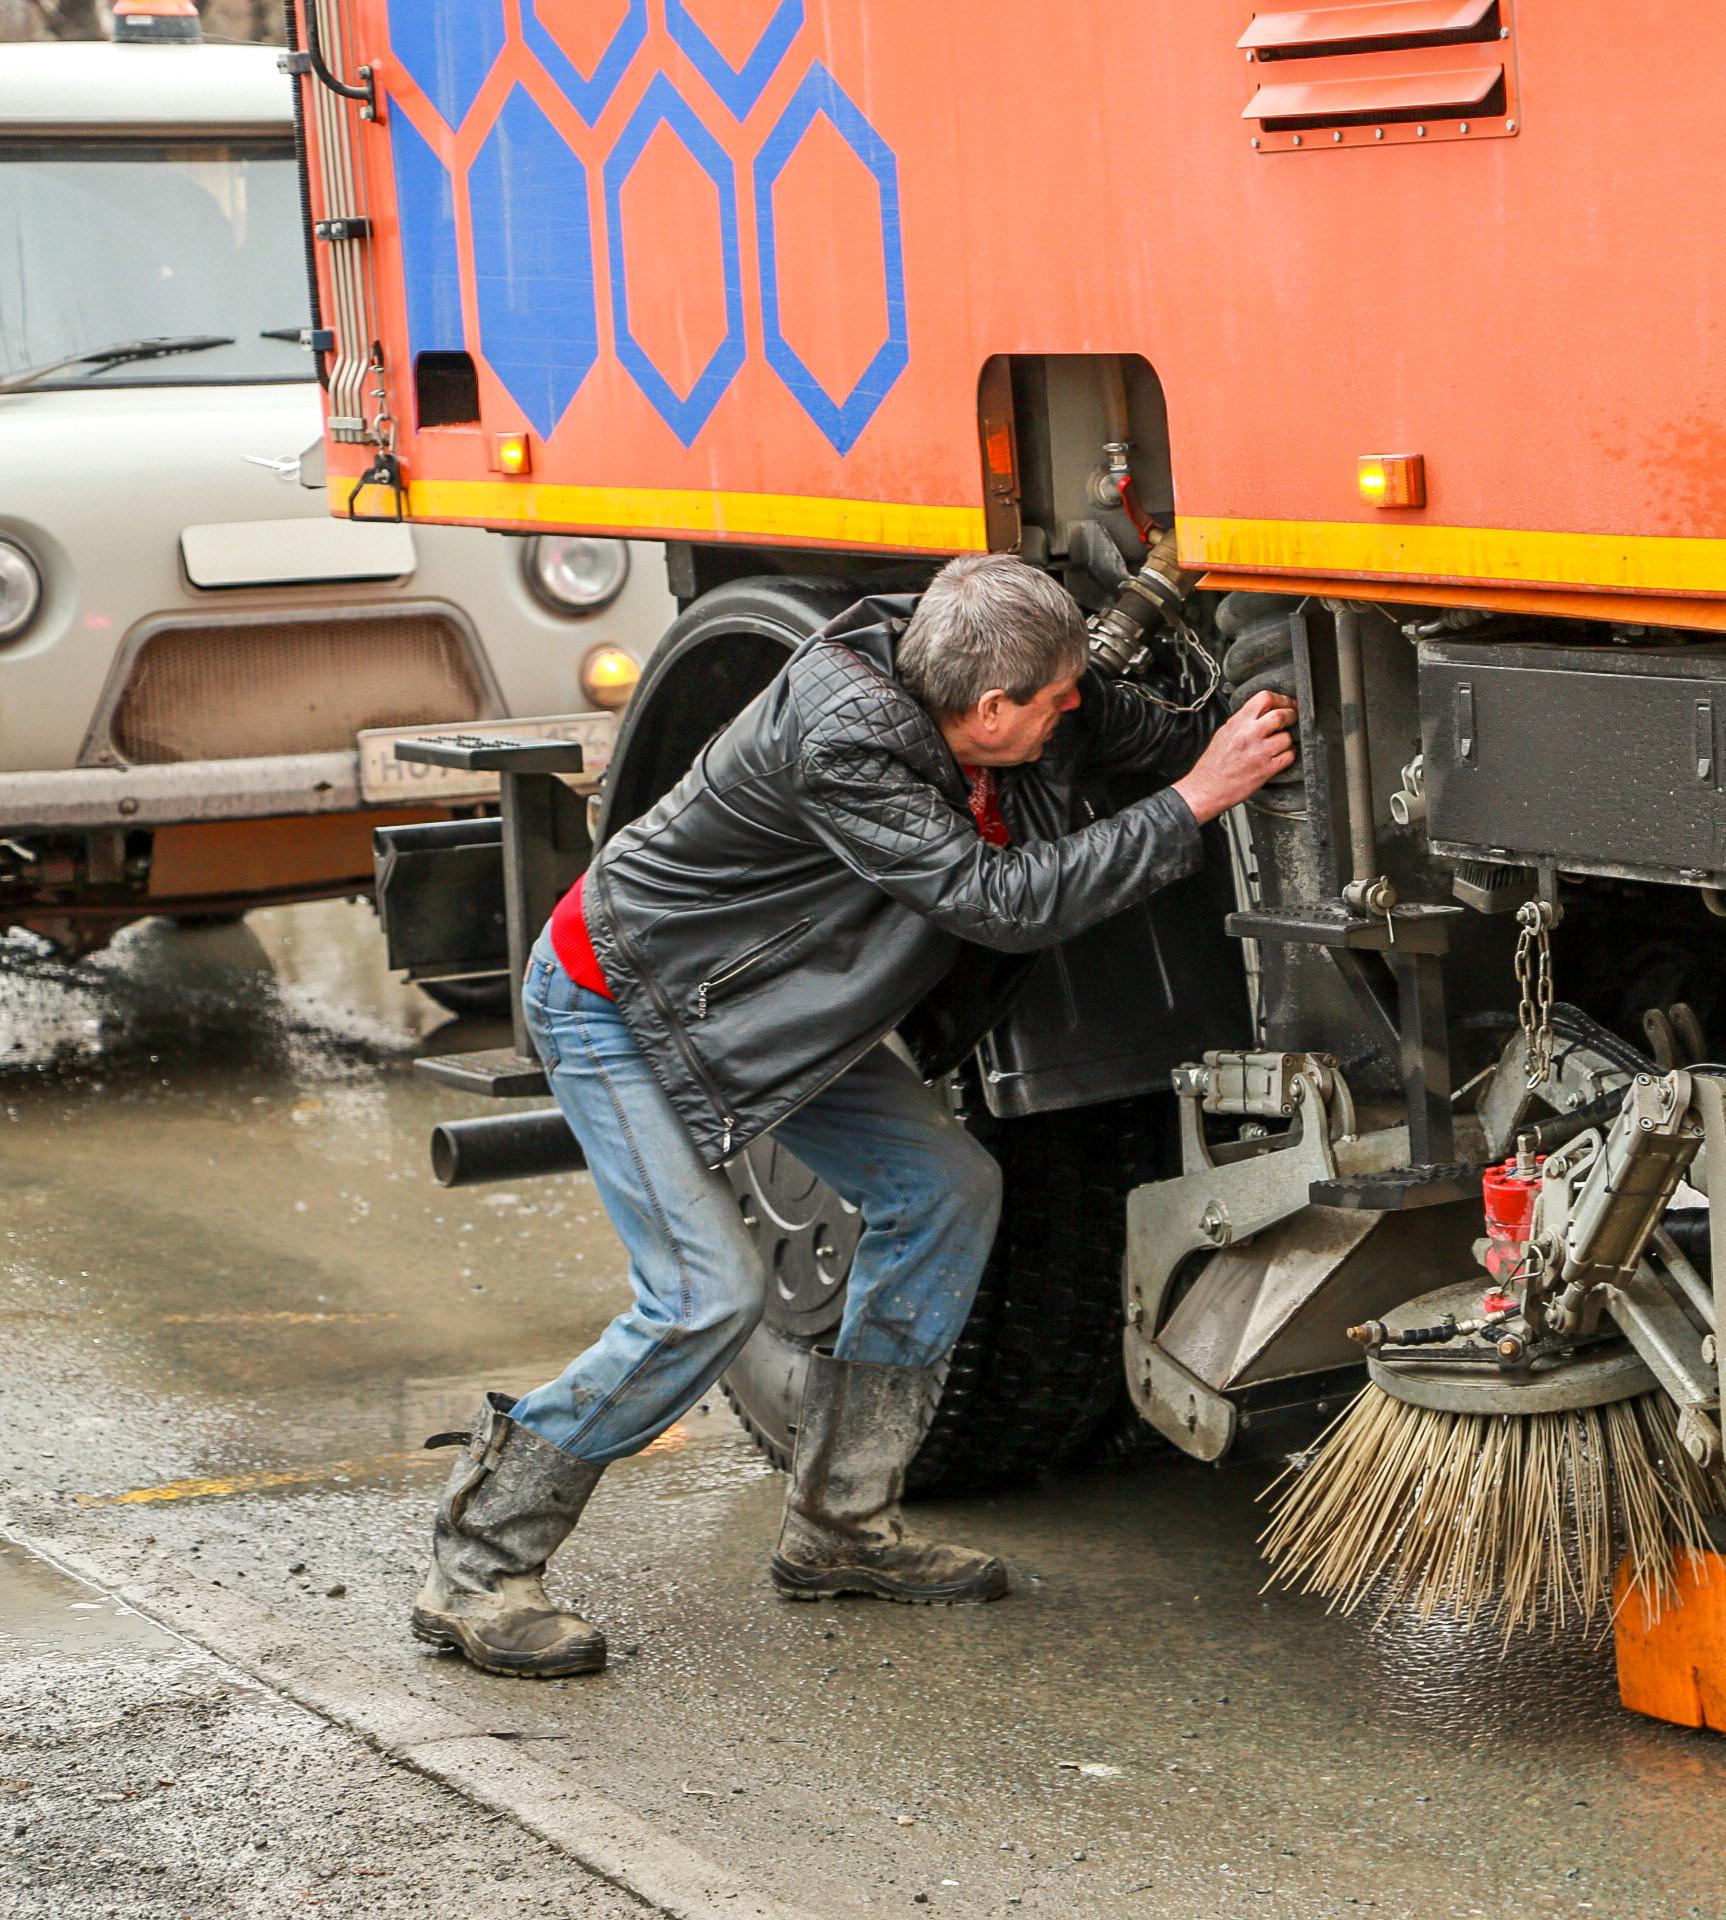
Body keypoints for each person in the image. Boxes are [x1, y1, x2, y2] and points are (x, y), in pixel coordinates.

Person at [410, 552, 1298, 1677]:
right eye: (1054, 701)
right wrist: (1194, 800)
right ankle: (476, 1564)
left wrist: (1260, 725)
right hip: (623, 1001)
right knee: (703, 1298)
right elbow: (998, 901)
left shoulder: (994, 680)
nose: (1074, 711)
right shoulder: (847, 737)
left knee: (942, 1188)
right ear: (988, 709)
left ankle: (840, 1526)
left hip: (766, 1011)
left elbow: (1138, 730)